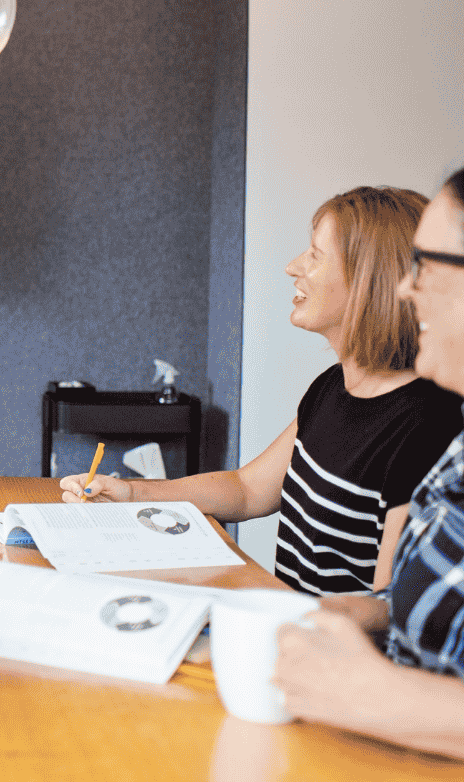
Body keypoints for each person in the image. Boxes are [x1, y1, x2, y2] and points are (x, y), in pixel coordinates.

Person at [62, 186, 462, 596]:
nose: (293, 266)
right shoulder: (332, 387)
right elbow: (247, 489)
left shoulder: (428, 426)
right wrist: (132, 494)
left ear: (369, 282)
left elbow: (388, 608)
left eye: (315, 255)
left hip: (317, 635)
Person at [275, 167, 464, 759]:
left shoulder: (429, 423)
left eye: (429, 265)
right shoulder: (457, 454)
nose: (406, 289)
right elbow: (404, 607)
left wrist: (376, 696)